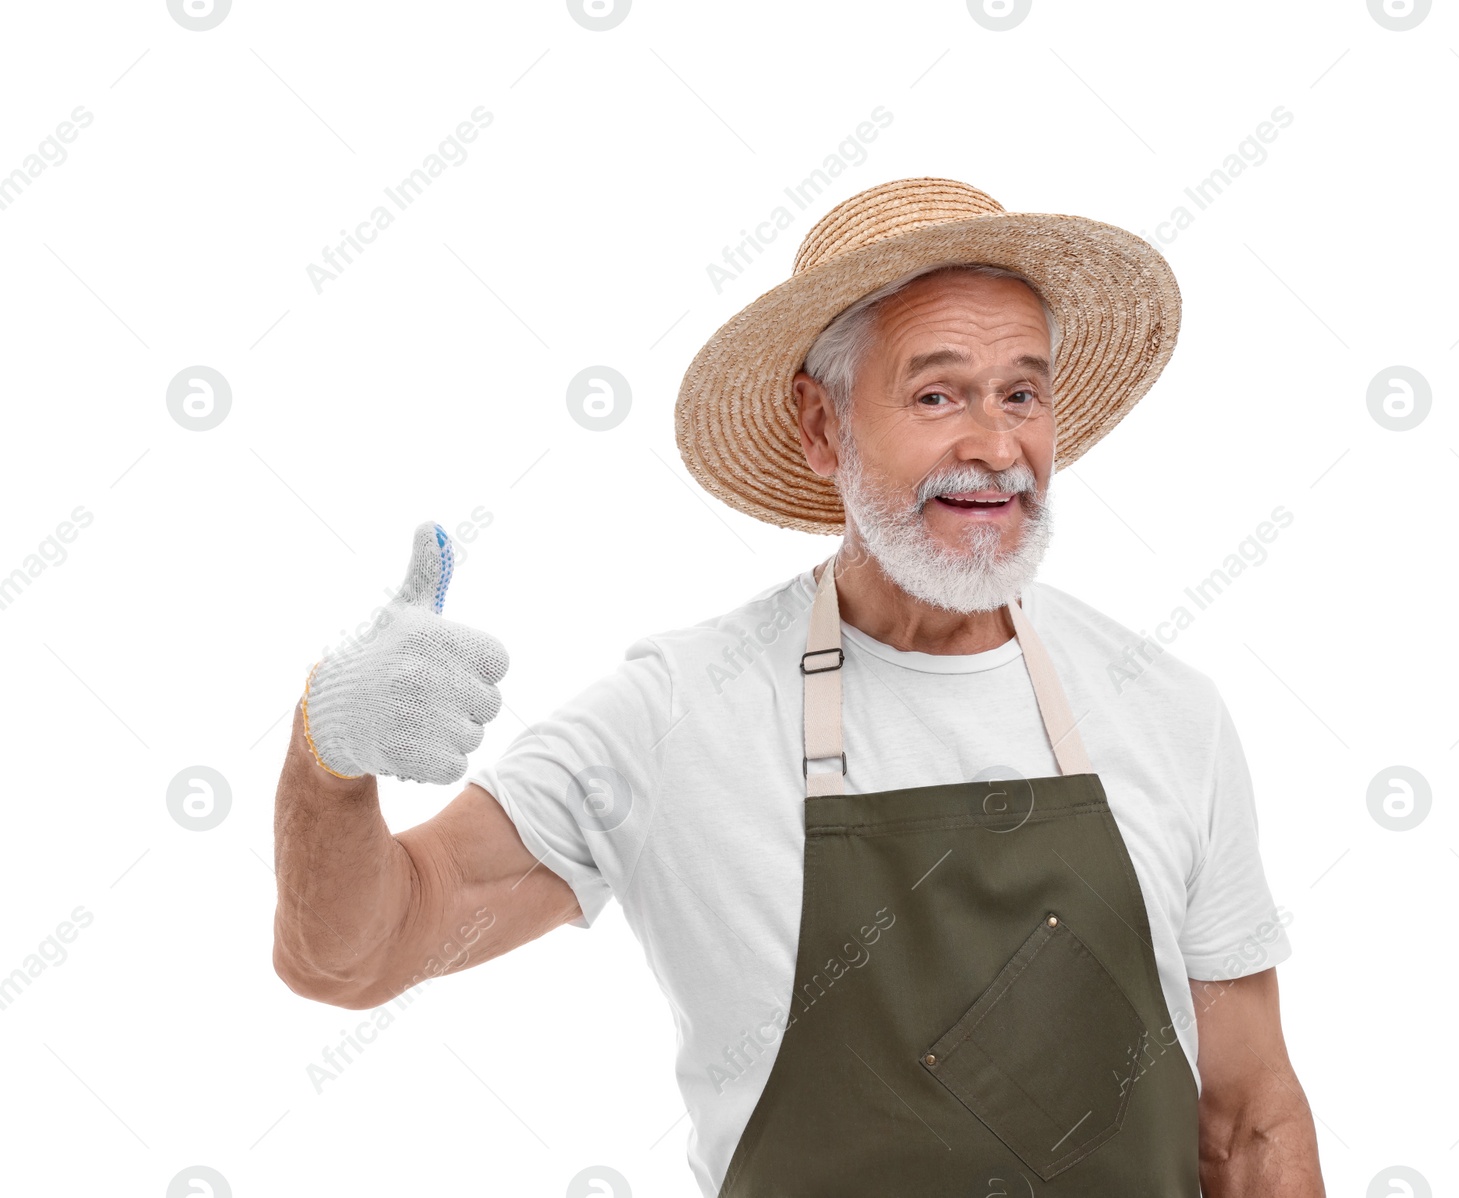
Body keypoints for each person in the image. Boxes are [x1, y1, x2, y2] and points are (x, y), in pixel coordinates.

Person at [273, 177, 1326, 1196]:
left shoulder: (1166, 709)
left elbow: (1248, 1119)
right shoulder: (679, 714)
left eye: (1021, 393)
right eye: (936, 393)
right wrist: (330, 753)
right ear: (820, 426)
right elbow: (355, 956)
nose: (995, 447)